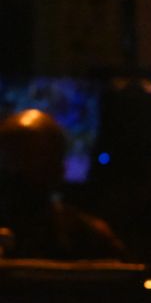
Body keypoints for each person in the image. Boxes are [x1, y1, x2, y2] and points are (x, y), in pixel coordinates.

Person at [0, 109, 128, 262]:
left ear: (58, 168)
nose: (16, 170)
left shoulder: (89, 237)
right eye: (10, 158)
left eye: (32, 159)